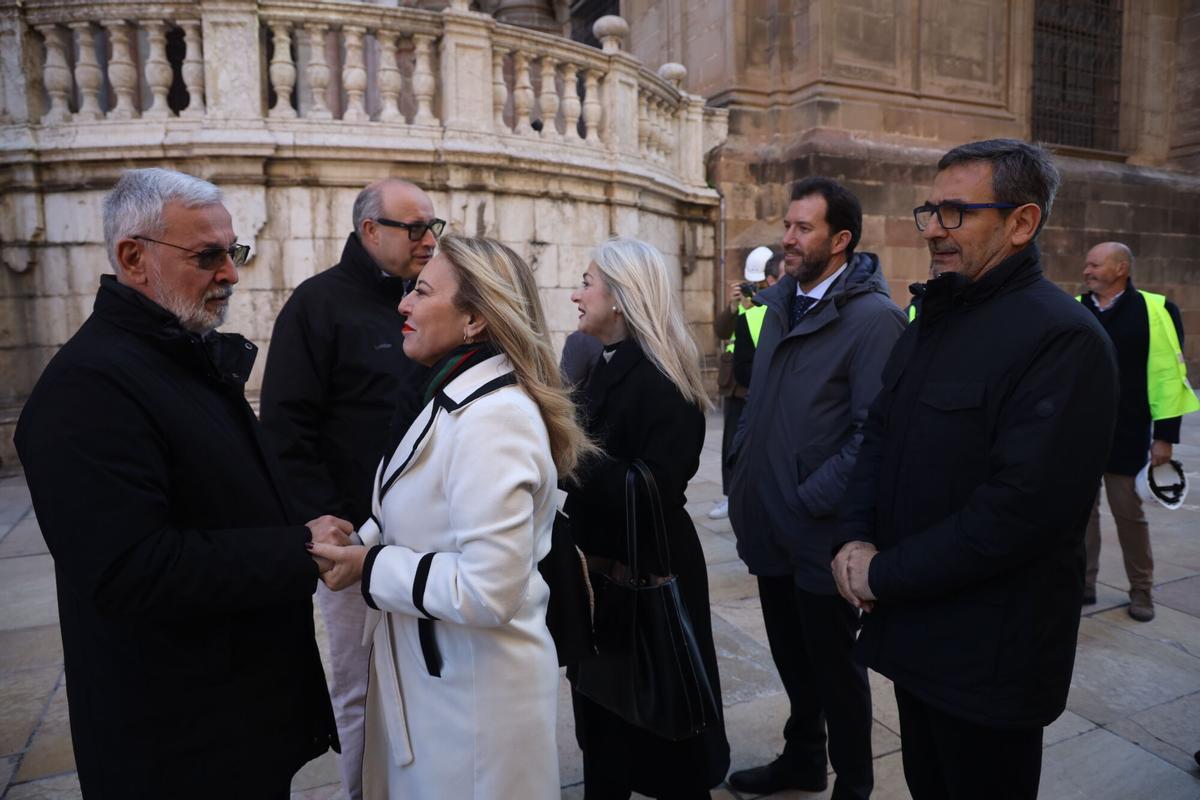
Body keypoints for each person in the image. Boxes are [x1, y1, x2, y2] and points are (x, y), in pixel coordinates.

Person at [13, 168, 344, 798]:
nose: (231, 274)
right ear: (134, 258)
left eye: (234, 252)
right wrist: (297, 547)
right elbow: (131, 568)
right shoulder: (89, 388)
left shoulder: (178, 353)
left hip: (233, 721)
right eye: (209, 256)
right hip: (176, 744)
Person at [832, 139, 1119, 799]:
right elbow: (879, 433)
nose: (934, 229)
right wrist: (852, 537)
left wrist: (882, 572)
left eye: (956, 212)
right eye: (930, 211)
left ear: (1021, 222)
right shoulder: (936, 315)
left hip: (991, 661)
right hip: (913, 638)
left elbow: (1020, 513)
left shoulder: (1063, 339)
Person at [310, 235, 591, 799]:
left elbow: (489, 589)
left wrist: (371, 568)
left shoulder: (494, 419)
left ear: (475, 321)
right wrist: (356, 538)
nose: (403, 305)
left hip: (473, 709)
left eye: (421, 291)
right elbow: (428, 512)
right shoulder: (444, 394)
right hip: (438, 687)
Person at [259, 178, 439, 798]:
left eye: (432, 227)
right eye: (414, 228)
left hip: (429, 540)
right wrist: (324, 520)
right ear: (370, 231)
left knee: (425, 679)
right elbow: (286, 427)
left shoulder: (430, 298)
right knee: (360, 685)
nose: (428, 240)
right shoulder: (317, 306)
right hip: (355, 542)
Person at [726, 177, 905, 799]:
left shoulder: (875, 320)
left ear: (842, 239)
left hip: (821, 532)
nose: (788, 237)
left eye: (804, 228)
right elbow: (758, 405)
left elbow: (872, 436)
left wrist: (808, 497)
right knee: (792, 662)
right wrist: (744, 476)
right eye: (787, 225)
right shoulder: (779, 304)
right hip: (770, 519)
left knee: (836, 670)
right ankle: (803, 760)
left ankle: (853, 784)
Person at [564, 237, 731, 799]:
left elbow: (654, 487)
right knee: (603, 722)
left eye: (586, 283)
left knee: (666, 722)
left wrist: (568, 455)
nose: (574, 295)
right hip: (604, 573)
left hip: (649, 570)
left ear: (621, 296)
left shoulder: (662, 378)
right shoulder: (603, 364)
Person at [1079, 241, 1198, 620]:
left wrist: (1164, 437)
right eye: (1086, 264)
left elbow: (1170, 377)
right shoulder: (1076, 309)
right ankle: (1082, 584)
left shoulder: (1157, 310)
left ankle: (1141, 591)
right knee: (1081, 515)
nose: (1087, 271)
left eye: (1095, 264)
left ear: (1120, 269)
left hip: (1128, 435)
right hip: (1080, 434)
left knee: (1128, 516)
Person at [710, 245, 774, 520]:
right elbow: (721, 330)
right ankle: (728, 495)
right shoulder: (743, 306)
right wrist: (733, 307)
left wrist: (754, 308)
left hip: (754, 383)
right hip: (733, 384)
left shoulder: (770, 305)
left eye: (758, 284)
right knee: (729, 444)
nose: (753, 289)